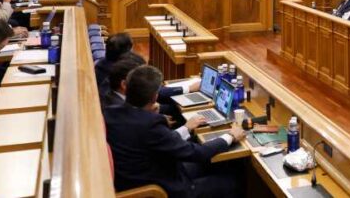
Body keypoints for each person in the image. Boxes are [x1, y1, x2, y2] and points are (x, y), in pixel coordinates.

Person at [104, 65, 245, 196]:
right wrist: (230, 136)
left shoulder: (110, 113)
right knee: (233, 181)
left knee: (214, 164)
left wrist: (185, 129)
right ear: (155, 97)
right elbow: (198, 153)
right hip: (161, 189)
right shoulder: (150, 123)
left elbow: (157, 141)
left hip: (144, 174)